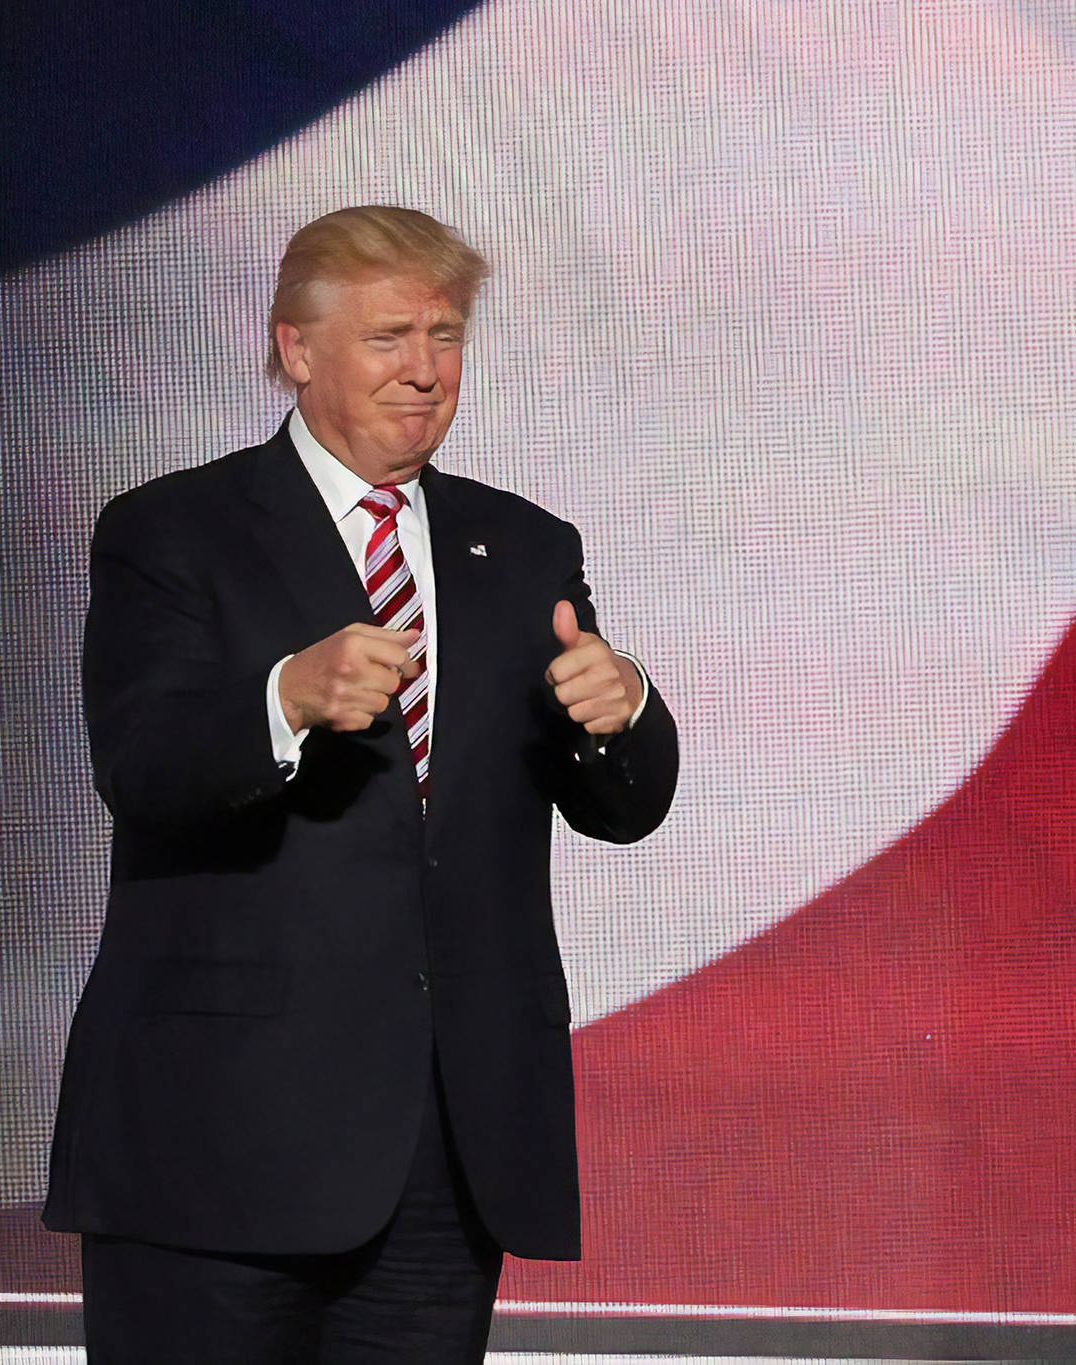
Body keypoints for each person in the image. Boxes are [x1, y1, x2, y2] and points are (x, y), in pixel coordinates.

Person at [44, 206, 679, 1362]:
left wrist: (624, 708)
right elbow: (142, 768)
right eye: (390, 337)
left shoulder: (524, 545)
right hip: (216, 1139)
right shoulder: (173, 531)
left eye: (445, 336)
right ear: (296, 349)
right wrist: (285, 697)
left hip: (446, 1148)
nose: (426, 371)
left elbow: (619, 808)